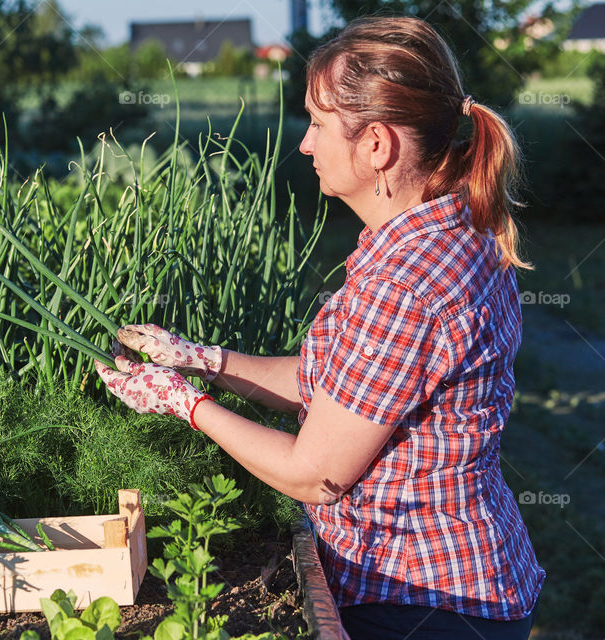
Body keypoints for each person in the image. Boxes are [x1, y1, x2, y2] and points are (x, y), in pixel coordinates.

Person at [94, 15, 545, 640]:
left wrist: (184, 405)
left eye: (318, 123)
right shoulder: (434, 237)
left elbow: (316, 474)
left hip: (425, 598)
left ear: (377, 145)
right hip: (443, 581)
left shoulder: (406, 283)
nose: (305, 144)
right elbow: (336, 386)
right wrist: (202, 359)